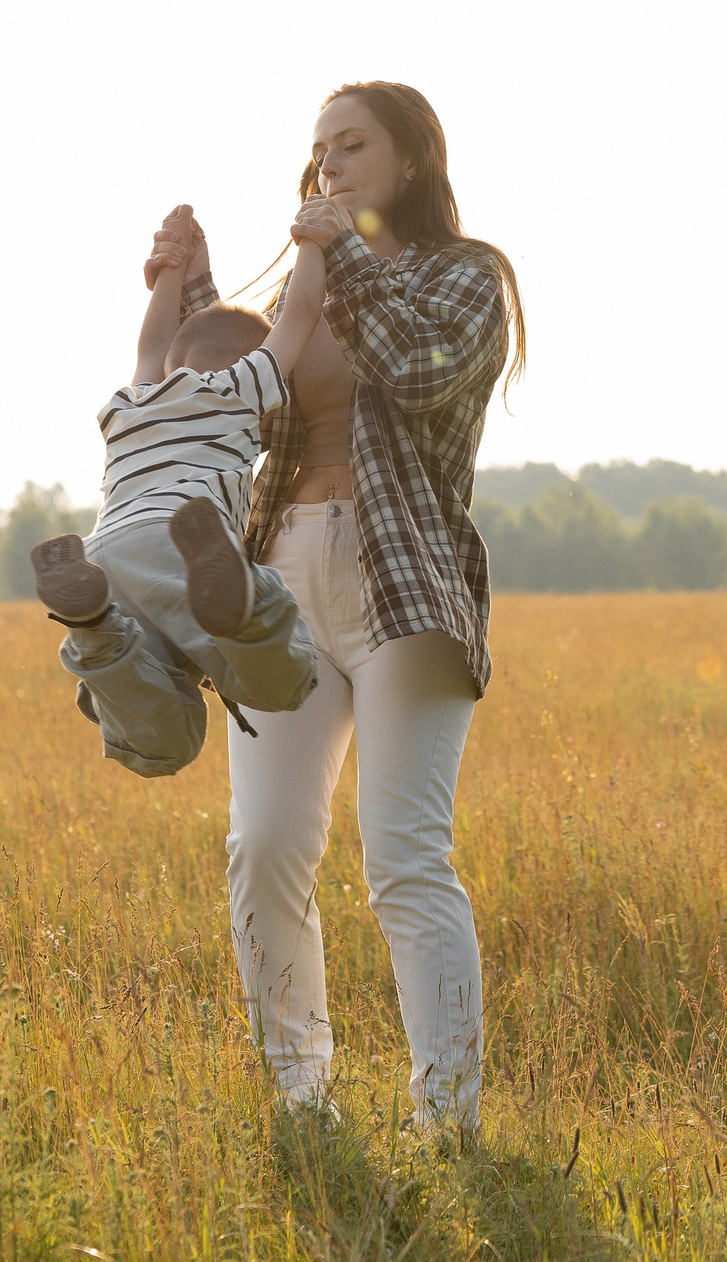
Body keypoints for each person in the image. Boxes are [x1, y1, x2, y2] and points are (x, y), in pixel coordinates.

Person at [157, 80, 524, 1132]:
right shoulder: (310, 282)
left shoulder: (466, 276)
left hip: (401, 580)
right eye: (321, 149)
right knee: (264, 846)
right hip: (279, 581)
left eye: (353, 145)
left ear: (410, 158)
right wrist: (190, 288)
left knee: (404, 857)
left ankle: (446, 1120)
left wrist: (344, 252)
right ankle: (301, 1099)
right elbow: (245, 393)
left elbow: (421, 371)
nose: (330, 164)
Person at [26, 217, 327, 778]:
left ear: (174, 360)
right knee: (285, 681)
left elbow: (151, 343)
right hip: (179, 534)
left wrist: (171, 269)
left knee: (163, 744)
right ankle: (241, 606)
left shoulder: (133, 401)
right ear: (250, 361)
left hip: (106, 550)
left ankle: (96, 632)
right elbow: (301, 314)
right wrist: (313, 239)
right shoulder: (239, 389)